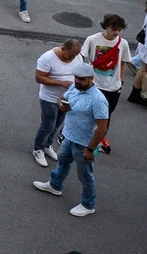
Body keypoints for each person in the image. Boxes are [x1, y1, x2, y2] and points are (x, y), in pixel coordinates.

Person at [31, 61, 108, 218]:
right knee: (62, 162)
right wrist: (61, 104)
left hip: (84, 144)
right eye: (76, 78)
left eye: (82, 79)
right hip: (68, 137)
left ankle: (88, 205)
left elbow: (102, 129)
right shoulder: (74, 88)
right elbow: (61, 99)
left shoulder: (98, 100)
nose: (78, 81)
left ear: (91, 79)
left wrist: (90, 149)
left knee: (85, 176)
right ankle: (55, 185)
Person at [80, 13, 130, 154]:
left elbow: (123, 61)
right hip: (94, 84)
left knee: (106, 115)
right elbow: (83, 58)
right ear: (106, 26)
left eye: (119, 30)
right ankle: (71, 133)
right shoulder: (92, 39)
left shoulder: (123, 43)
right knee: (85, 111)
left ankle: (100, 137)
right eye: (113, 29)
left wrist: (121, 79)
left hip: (113, 86)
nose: (116, 33)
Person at [32, 38, 83, 167]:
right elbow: (39, 78)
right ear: (63, 48)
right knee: (48, 125)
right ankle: (38, 149)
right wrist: (61, 83)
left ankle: (47, 145)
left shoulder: (77, 57)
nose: (72, 58)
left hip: (67, 98)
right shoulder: (47, 58)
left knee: (58, 124)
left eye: (75, 56)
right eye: (70, 55)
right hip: (49, 98)